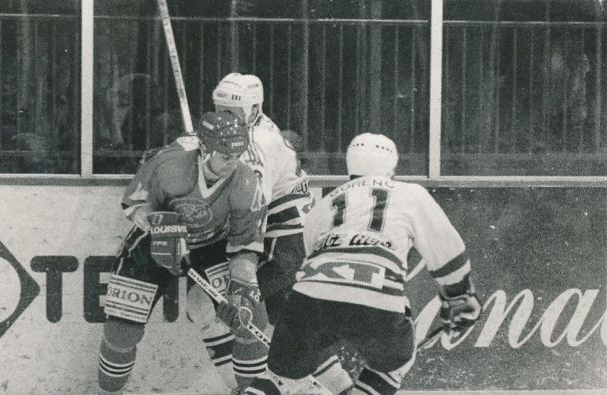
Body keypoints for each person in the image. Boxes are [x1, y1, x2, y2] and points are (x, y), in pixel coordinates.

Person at [244, 133, 482, 395]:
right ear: (392, 167)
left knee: (280, 376)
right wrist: (460, 296)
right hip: (376, 301)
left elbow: (312, 258)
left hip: (309, 299)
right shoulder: (411, 193)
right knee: (396, 361)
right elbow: (448, 251)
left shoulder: (322, 205)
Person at [96, 110, 269, 394]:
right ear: (206, 148)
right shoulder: (168, 163)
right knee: (121, 332)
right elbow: (135, 205)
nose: (232, 164)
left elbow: (245, 245)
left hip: (211, 245)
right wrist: (158, 223)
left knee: (250, 318)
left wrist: (240, 292)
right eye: (226, 156)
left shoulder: (246, 182)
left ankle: (251, 390)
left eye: (238, 157)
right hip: (153, 244)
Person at [212, 73, 355, 391]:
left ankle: (248, 386)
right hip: (293, 239)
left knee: (227, 304)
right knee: (295, 328)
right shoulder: (253, 131)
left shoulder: (258, 144)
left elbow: (251, 208)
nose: (226, 118)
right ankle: (344, 389)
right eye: (220, 110)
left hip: (284, 242)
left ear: (253, 110)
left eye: (232, 112)